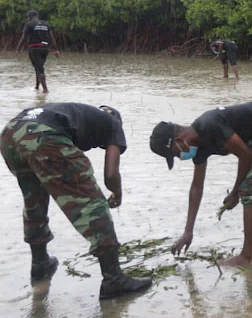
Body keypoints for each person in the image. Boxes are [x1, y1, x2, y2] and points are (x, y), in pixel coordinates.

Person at [0, 103, 152, 299]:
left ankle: (40, 264)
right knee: (92, 203)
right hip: (44, 136)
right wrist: (118, 193)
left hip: (10, 135)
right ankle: (113, 278)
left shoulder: (73, 113)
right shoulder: (113, 124)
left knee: (34, 199)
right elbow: (111, 174)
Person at [149, 101, 252, 267]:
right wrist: (188, 231)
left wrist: (235, 192)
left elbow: (245, 156)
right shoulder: (199, 146)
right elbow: (196, 187)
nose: (180, 158)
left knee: (250, 186)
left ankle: (248, 256)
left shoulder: (209, 126)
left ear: (179, 140)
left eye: (176, 154)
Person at [15, 10, 60, 93]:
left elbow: (23, 37)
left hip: (35, 48)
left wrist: (18, 49)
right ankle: (36, 87)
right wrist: (56, 49)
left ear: (29, 17)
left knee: (39, 69)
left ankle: (45, 90)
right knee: (38, 67)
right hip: (45, 49)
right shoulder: (46, 24)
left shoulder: (29, 24)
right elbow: (52, 38)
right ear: (37, 16)